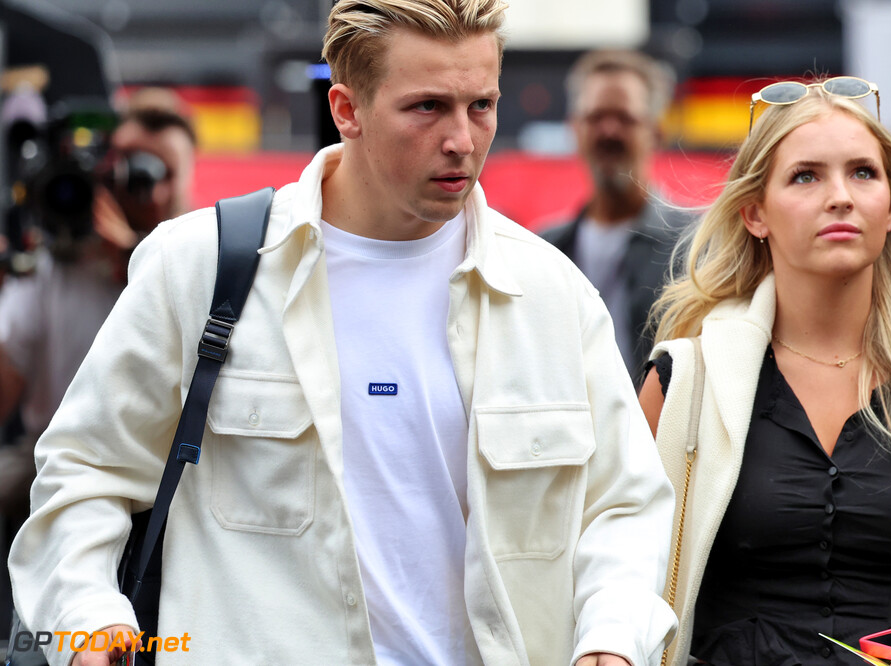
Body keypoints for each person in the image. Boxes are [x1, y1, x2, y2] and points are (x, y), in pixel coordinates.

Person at [8, 1, 677, 665]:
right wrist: (87, 624)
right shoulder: (199, 266)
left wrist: (612, 641)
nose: (462, 139)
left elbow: (623, 505)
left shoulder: (552, 295)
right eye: (427, 107)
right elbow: (84, 472)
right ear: (346, 110)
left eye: (481, 105)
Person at [637, 79, 891, 666]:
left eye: (863, 173)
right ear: (755, 212)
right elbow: (622, 561)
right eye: (805, 176)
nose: (840, 197)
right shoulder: (686, 378)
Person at [0, 102, 196, 535]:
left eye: (162, 174)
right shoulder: (55, 267)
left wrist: (133, 257)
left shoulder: (208, 267)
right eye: (131, 170)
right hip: (61, 455)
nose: (150, 191)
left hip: (176, 465)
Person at [541, 49, 686, 382]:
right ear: (574, 129)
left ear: (656, 132)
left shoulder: (697, 246)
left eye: (624, 118)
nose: (609, 131)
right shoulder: (544, 250)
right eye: (596, 117)